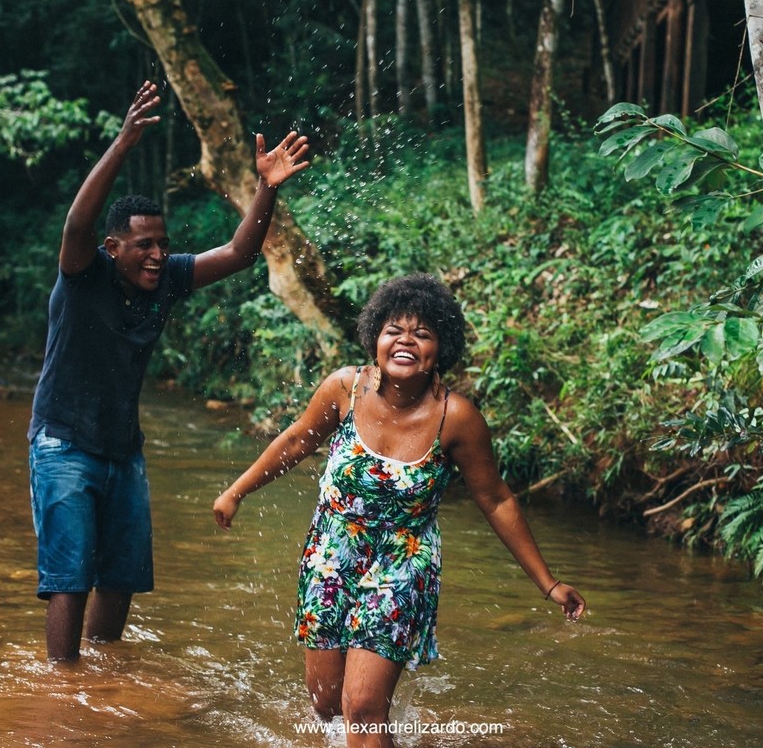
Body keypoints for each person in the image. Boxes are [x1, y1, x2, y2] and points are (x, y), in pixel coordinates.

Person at [213, 273, 586, 747]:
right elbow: (295, 441)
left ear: (440, 348)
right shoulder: (344, 389)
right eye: (394, 330)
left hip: (402, 564)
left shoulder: (458, 419)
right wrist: (237, 492)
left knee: (363, 709)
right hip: (331, 554)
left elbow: (496, 499)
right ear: (375, 339)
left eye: (422, 334)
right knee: (328, 704)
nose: (405, 341)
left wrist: (547, 583)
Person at [28, 80, 310, 662]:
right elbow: (76, 227)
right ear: (113, 248)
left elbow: (238, 254)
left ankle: (102, 674)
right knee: (70, 577)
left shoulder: (165, 279)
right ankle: (61, 684)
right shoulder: (85, 275)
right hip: (62, 443)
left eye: (163, 243)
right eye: (144, 246)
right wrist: (125, 142)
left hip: (122, 449)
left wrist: (265, 188)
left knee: (122, 575)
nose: (158, 254)